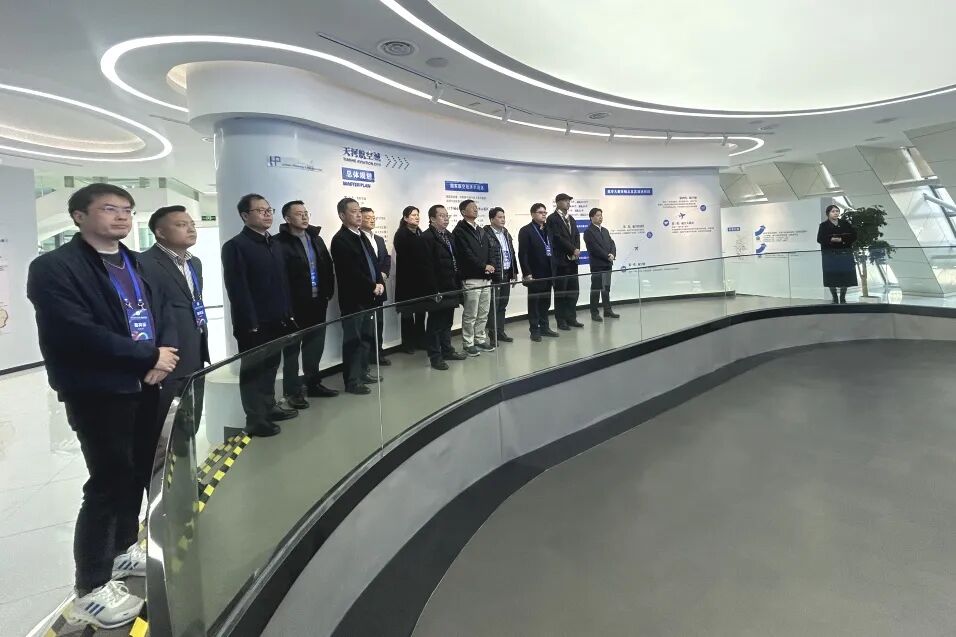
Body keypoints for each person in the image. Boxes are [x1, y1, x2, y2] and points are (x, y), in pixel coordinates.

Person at [27, 183, 180, 629]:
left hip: (147, 382)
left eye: (127, 210)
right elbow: (74, 330)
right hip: (98, 389)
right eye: (109, 209)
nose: (121, 217)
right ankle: (90, 588)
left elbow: (165, 311)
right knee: (108, 482)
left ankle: (121, 550)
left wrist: (164, 355)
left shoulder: (136, 262)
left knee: (137, 472)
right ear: (78, 216)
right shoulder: (54, 267)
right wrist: (146, 356)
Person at [222, 193, 297, 437]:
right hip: (253, 324)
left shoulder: (273, 243)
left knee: (271, 367)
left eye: (269, 210)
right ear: (245, 216)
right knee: (254, 371)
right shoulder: (235, 246)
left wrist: (288, 313)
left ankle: (269, 406)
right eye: (260, 210)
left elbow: (283, 283)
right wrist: (250, 323)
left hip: (278, 319)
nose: (267, 214)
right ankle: (255, 419)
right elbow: (237, 289)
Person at [139, 205, 211, 432]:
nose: (191, 229)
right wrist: (153, 356)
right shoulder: (144, 264)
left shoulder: (194, 262)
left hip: (195, 351)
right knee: (165, 428)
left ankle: (187, 454)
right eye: (181, 225)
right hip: (166, 357)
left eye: (192, 224)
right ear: (160, 232)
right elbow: (146, 313)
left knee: (191, 422)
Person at [276, 200, 338, 409]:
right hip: (294, 306)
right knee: (292, 350)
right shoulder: (279, 243)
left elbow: (327, 265)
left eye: (306, 213)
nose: (304, 216)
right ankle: (292, 392)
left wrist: (328, 292)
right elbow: (279, 277)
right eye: (298, 213)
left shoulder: (315, 239)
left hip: (317, 302)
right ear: (287, 218)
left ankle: (313, 384)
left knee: (314, 346)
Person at [332, 198, 386, 394]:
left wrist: (379, 282)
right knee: (353, 341)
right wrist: (372, 286)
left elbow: (373, 263)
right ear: (342, 215)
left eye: (359, 210)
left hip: (370, 297)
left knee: (366, 338)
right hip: (354, 300)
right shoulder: (340, 239)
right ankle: (352, 381)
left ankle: (363, 372)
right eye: (353, 211)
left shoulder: (362, 235)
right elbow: (351, 272)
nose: (358, 214)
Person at [421, 205, 467, 370]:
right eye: (442, 215)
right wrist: (434, 290)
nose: (446, 218)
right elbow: (426, 267)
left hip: (451, 285)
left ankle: (447, 350)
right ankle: (435, 357)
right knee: (435, 324)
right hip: (437, 288)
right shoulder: (426, 237)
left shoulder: (448, 235)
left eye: (447, 215)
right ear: (432, 219)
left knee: (447, 321)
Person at [453, 199, 496, 356]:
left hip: (486, 278)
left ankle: (480, 339)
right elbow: (466, 254)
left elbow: (490, 249)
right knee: (471, 313)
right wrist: (483, 266)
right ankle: (468, 343)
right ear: (463, 212)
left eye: (476, 207)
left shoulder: (480, 229)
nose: (476, 209)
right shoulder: (459, 231)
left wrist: (491, 264)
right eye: (472, 207)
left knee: (483, 312)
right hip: (471, 278)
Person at [518, 203, 560, 342]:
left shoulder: (548, 229)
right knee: (534, 303)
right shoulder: (526, 230)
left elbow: (552, 249)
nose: (543, 215)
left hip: (549, 272)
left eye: (545, 212)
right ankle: (534, 330)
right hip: (535, 273)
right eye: (540, 212)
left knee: (545, 302)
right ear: (532, 214)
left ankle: (545, 327)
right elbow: (522, 254)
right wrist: (527, 273)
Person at [393, 206, 428, 354]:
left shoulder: (420, 232)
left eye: (417, 215)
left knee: (421, 312)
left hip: (421, 280)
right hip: (407, 280)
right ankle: (408, 344)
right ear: (406, 218)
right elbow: (407, 255)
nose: (416, 217)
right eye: (413, 215)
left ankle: (421, 341)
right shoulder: (401, 234)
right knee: (407, 313)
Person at [360, 207, 392, 368]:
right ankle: (365, 358)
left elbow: (386, 258)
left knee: (379, 322)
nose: (372, 220)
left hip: (380, 286)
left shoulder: (378, 239)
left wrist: (383, 274)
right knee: (365, 326)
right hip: (366, 288)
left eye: (373, 217)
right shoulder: (358, 239)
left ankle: (378, 353)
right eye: (368, 217)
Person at [548, 193, 583, 330]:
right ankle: (561, 320)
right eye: (565, 200)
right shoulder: (552, 219)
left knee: (573, 291)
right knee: (561, 292)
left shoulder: (571, 218)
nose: (568, 203)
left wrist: (577, 250)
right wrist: (572, 249)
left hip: (573, 261)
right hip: (560, 261)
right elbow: (557, 238)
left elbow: (577, 236)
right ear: (558, 202)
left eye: (569, 201)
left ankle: (571, 318)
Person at [484, 206, 518, 344]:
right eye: (499, 217)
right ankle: (493, 335)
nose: (503, 219)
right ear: (492, 219)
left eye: (503, 217)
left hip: (507, 274)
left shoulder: (506, 233)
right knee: (493, 307)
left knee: (502, 305)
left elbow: (511, 253)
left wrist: (514, 272)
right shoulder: (485, 233)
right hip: (495, 276)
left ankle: (500, 331)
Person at [583, 207, 621, 321]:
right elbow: (594, 248)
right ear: (591, 217)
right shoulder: (588, 232)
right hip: (597, 265)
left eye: (601, 215)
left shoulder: (605, 230)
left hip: (607, 264)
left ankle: (607, 310)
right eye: (598, 215)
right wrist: (607, 256)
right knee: (596, 289)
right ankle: (594, 313)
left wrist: (612, 254)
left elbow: (612, 243)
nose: (600, 217)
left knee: (606, 288)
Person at [817, 204, 858, 304]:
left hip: (845, 254)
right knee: (831, 277)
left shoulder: (845, 223)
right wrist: (831, 239)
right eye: (833, 211)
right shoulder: (823, 225)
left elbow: (853, 236)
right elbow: (820, 239)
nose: (836, 213)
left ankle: (843, 298)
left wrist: (841, 239)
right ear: (828, 213)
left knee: (845, 275)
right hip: (830, 255)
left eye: (837, 211)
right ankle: (835, 298)